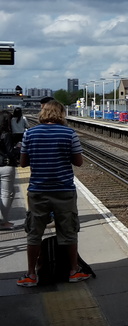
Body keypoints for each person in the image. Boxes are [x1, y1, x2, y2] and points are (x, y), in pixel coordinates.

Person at [17, 100, 88, 287]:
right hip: (64, 189)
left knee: (34, 233)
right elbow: (78, 162)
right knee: (69, 231)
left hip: (38, 190)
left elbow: (23, 163)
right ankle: (74, 271)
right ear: (61, 114)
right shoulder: (69, 133)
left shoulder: (29, 134)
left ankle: (31, 274)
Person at [0, 111, 20, 230]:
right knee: (7, 194)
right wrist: (18, 149)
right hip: (6, 166)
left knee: (9, 193)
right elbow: (10, 153)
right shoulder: (6, 135)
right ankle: (3, 222)